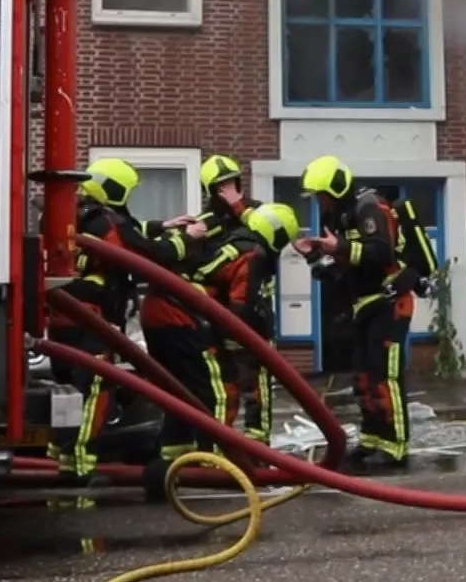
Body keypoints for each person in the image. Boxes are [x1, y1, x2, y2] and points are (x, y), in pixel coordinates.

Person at [47, 156, 209, 479]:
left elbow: (128, 233)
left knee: (68, 391)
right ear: (115, 189)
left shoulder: (76, 215)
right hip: (92, 317)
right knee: (95, 388)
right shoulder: (106, 223)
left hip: (64, 317)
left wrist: (162, 225)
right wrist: (187, 237)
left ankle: (57, 458)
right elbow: (149, 255)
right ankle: (78, 467)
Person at [294, 154, 420, 470]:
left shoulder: (369, 207)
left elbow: (381, 252)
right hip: (365, 305)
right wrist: (314, 257)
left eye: (321, 195)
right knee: (364, 377)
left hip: (391, 301)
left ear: (335, 189)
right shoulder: (339, 218)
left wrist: (340, 248)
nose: (320, 202)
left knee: (385, 376)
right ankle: (372, 440)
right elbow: (337, 272)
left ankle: (396, 447)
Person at [207, 202, 300, 442]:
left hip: (223, 329)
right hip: (248, 334)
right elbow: (242, 300)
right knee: (255, 391)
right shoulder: (254, 254)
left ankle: (222, 444)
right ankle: (257, 443)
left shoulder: (235, 244)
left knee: (226, 390)